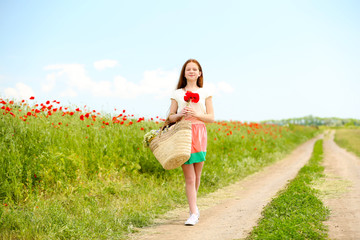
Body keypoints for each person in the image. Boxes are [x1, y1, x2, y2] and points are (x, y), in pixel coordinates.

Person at [169, 59, 214, 226]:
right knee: (189, 177)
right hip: (184, 134)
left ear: (200, 73)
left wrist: (196, 113)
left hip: (200, 133)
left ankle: (193, 207)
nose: (192, 71)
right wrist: (180, 113)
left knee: (197, 175)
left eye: (195, 69)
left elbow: (211, 118)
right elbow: (170, 117)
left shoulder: (205, 93)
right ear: (184, 73)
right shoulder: (177, 93)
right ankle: (193, 212)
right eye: (189, 69)